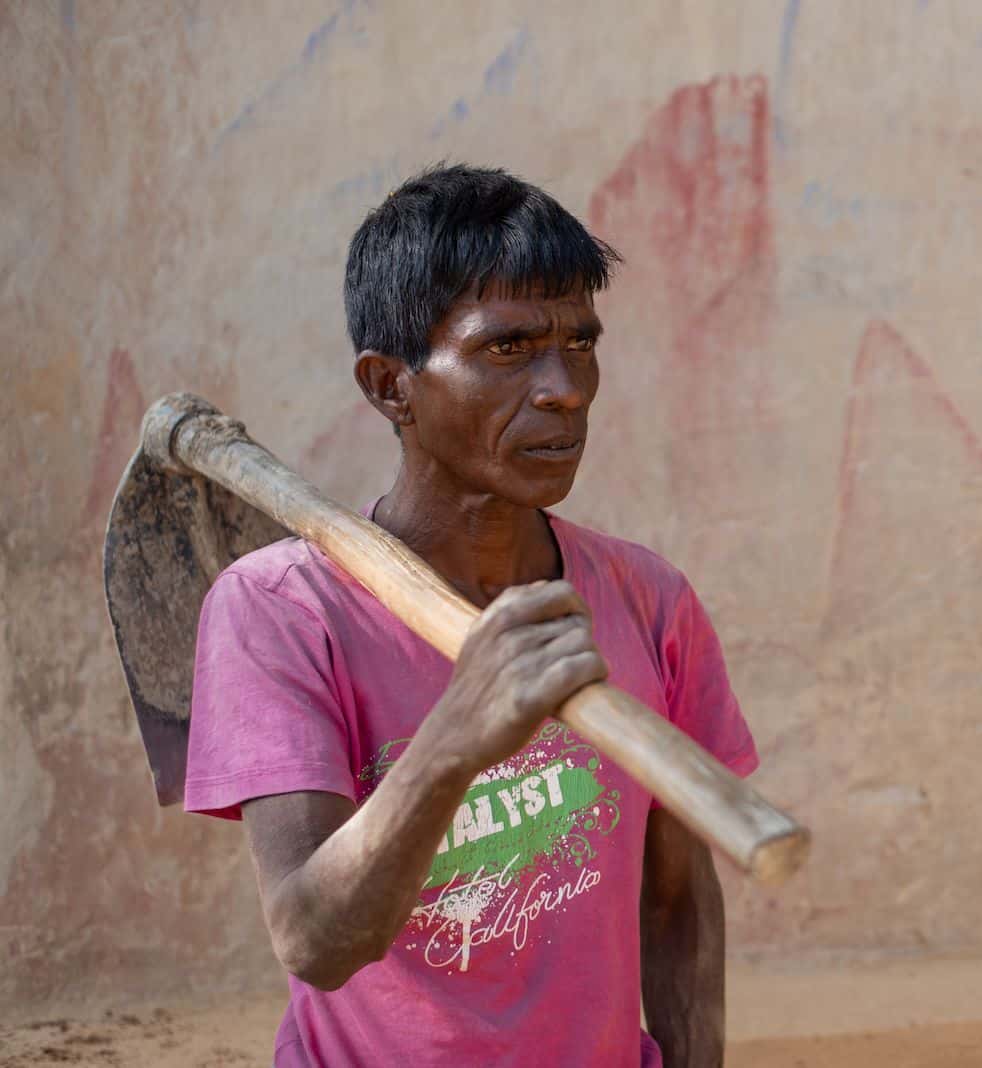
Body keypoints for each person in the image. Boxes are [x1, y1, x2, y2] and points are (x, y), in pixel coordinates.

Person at [184, 163, 757, 1068]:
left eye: (582, 342)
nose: (564, 386)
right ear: (390, 387)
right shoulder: (279, 612)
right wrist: (456, 735)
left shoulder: (649, 602)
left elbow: (678, 900)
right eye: (507, 348)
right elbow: (316, 940)